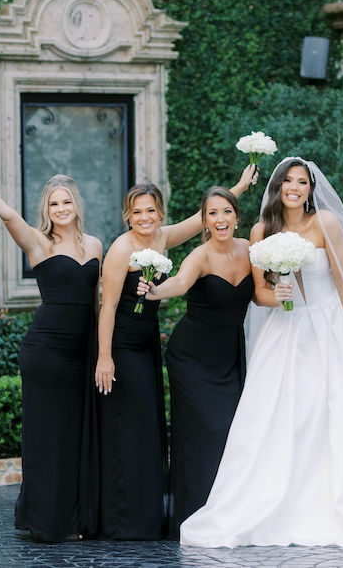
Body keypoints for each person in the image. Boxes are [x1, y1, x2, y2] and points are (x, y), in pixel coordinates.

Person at [180, 157, 343, 548]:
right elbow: (259, 292)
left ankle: (337, 503)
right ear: (279, 186)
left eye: (303, 182)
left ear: (311, 189)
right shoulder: (262, 230)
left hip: (329, 324)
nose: (295, 188)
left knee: (332, 410)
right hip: (285, 329)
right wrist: (276, 294)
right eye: (289, 181)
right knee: (280, 415)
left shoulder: (325, 224)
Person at [94, 166, 256, 540]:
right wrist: (105, 356)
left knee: (151, 430)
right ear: (127, 216)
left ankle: (151, 519)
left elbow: (208, 217)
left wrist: (241, 187)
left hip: (148, 340)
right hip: (120, 344)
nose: (145, 218)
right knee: (130, 430)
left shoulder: (162, 238)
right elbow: (107, 307)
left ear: (159, 214)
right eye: (137, 212)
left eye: (151, 211)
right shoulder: (121, 250)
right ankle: (124, 521)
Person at [0, 164, 101, 542]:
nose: (61, 209)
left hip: (82, 352)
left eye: (66, 201)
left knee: (76, 436)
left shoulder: (95, 245)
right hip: (46, 352)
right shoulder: (38, 242)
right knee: (47, 437)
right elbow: (6, 212)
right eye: (53, 204)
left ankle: (76, 517)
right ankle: (46, 521)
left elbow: (99, 301)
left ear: (76, 204)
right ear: (46, 209)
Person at [137, 187, 254, 537]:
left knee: (233, 432)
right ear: (204, 221)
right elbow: (180, 282)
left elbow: (263, 291)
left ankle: (231, 514)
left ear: (236, 216)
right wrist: (154, 291)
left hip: (229, 356)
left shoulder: (250, 249)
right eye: (213, 214)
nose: (221, 220)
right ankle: (197, 515)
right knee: (204, 433)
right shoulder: (200, 256)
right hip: (192, 358)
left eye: (226, 212)